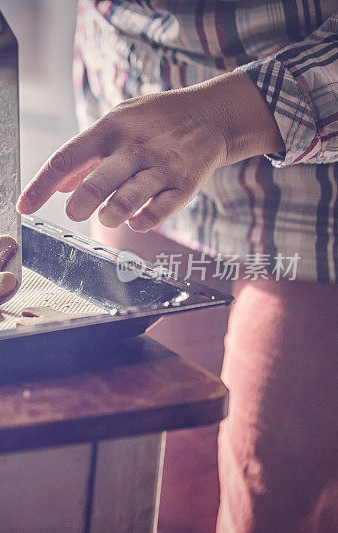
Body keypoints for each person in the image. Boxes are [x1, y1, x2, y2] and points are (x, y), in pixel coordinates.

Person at [17, 2, 338, 532]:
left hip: (320, 188)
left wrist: (221, 118)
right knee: (150, 462)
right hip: (140, 128)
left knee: (270, 498)